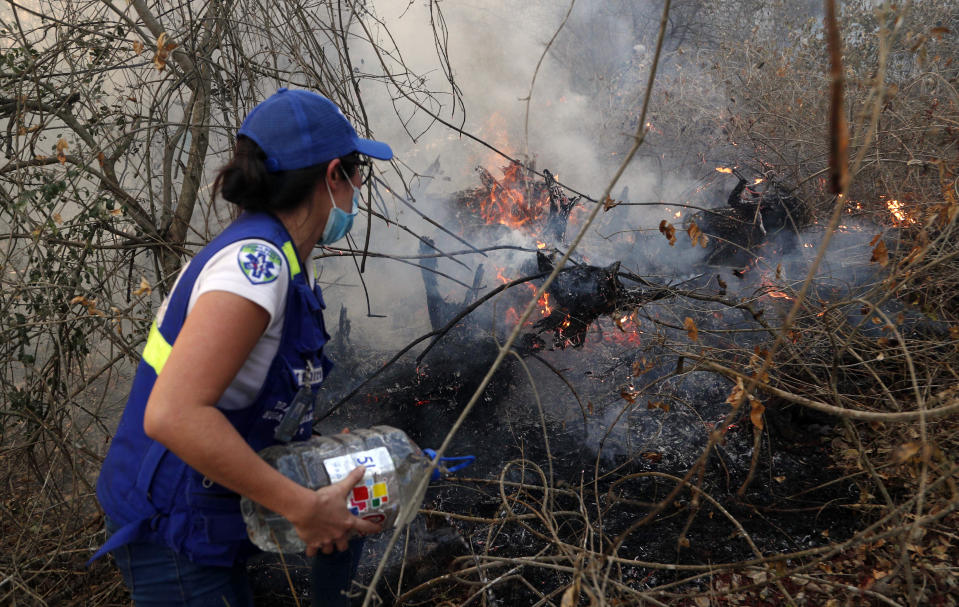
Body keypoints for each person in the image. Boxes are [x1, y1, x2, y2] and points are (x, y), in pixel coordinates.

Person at [91, 88, 393, 606]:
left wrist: (316, 454)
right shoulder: (254, 269)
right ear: (331, 176)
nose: (360, 185)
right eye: (357, 168)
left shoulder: (287, 262)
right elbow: (173, 414)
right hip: (174, 530)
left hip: (209, 518)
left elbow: (243, 400)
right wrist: (302, 507)